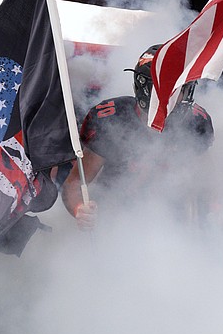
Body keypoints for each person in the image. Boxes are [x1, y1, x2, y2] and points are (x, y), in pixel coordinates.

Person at [61, 44, 215, 230]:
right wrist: (80, 209)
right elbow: (76, 183)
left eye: (182, 89)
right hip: (116, 220)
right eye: (171, 90)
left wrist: (220, 210)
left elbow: (208, 180)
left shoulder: (196, 122)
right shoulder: (111, 120)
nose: (180, 98)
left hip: (171, 225)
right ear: (146, 90)